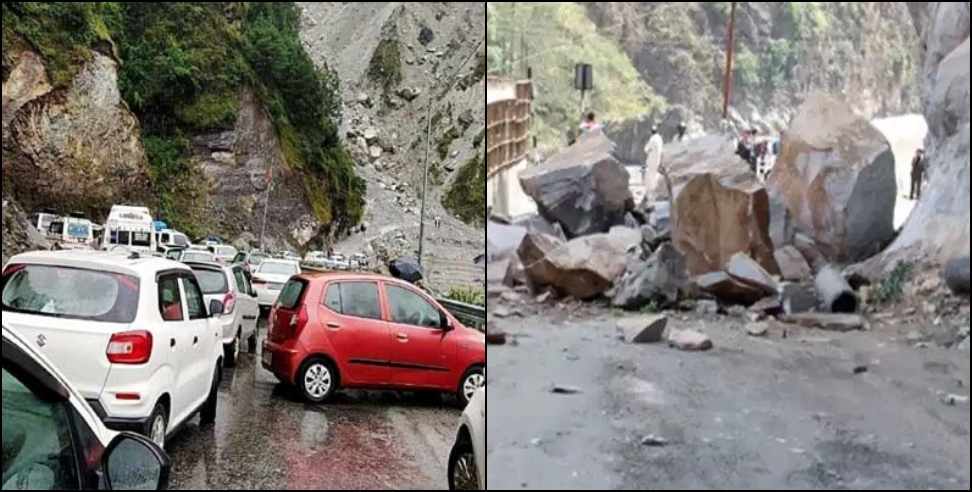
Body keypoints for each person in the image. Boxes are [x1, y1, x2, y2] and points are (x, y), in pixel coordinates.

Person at [643, 126, 664, 195]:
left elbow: (646, 149)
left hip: (652, 159)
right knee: (655, 174)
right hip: (658, 159)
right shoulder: (660, 138)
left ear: (651, 132)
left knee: (650, 175)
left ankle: (652, 190)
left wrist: (649, 150)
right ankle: (656, 189)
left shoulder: (652, 139)